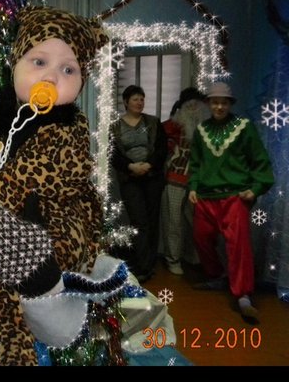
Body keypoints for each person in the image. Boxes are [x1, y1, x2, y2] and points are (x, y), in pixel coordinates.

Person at [0, 6, 128, 365]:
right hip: (14, 230)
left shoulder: (66, 130)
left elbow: (23, 182)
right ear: (15, 64)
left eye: (68, 70)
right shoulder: (1, 125)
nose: (51, 77)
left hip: (56, 232)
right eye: (39, 62)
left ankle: (0, 350)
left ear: (81, 82)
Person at [188, 81, 274, 324]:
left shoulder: (244, 127)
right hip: (206, 196)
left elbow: (260, 161)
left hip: (234, 197)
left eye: (223, 102)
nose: (219, 106)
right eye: (215, 102)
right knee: (201, 237)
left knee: (239, 246)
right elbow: (195, 163)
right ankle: (216, 276)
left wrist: (255, 189)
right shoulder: (202, 129)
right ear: (208, 103)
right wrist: (193, 187)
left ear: (230, 104)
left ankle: (243, 296)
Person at [110, 85, 167, 283]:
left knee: (152, 219)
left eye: (142, 99)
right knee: (138, 221)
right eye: (135, 99)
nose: (139, 102)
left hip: (152, 176)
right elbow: (113, 154)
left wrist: (148, 165)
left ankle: (149, 264)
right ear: (126, 102)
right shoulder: (115, 127)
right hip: (130, 178)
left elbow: (161, 149)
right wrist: (131, 166)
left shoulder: (153, 122)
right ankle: (142, 265)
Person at [160, 87, 208, 275]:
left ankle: (193, 257)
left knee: (196, 223)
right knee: (174, 222)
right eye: (190, 105)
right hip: (174, 179)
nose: (193, 108)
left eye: (197, 105)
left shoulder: (207, 127)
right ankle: (173, 259)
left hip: (199, 182)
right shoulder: (171, 125)